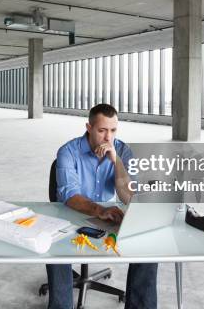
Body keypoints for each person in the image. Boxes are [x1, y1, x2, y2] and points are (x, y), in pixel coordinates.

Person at [46, 103, 158, 309]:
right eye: (102, 130)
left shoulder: (122, 150)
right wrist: (100, 210)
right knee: (52, 241)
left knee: (148, 243)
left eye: (113, 130)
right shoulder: (67, 152)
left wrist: (116, 162)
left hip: (108, 217)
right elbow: (69, 196)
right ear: (89, 128)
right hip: (72, 214)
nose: (108, 138)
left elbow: (129, 197)